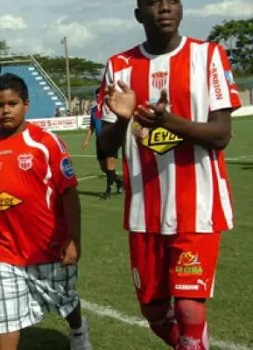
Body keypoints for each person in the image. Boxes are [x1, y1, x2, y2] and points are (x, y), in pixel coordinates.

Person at [97, 1, 241, 349]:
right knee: (155, 313)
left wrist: (169, 122)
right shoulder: (119, 66)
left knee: (190, 307)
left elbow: (221, 135)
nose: (164, 8)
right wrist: (121, 118)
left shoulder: (208, 56)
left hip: (198, 206)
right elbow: (105, 148)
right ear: (138, 14)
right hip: (144, 211)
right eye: (153, 2)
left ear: (181, 10)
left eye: (172, 0)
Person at [0, 73, 92, 350]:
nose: (5, 110)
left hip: (48, 245)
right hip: (5, 251)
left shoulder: (45, 142)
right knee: (5, 319)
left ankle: (77, 331)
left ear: (26, 104)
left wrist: (74, 239)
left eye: (12, 103)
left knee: (66, 300)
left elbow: (68, 194)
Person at [81, 88, 123, 200]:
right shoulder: (94, 110)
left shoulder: (111, 108)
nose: (98, 98)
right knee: (103, 167)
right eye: (96, 96)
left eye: (100, 96)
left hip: (111, 140)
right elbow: (92, 126)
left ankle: (108, 192)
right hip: (99, 141)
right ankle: (119, 181)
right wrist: (86, 140)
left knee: (110, 165)